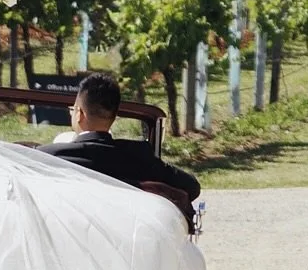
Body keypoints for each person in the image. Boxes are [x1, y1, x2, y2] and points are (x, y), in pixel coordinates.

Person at [42, 71, 200, 200]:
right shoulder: (140, 156)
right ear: (114, 116)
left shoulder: (51, 157)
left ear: (79, 113)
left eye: (73, 109)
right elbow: (191, 186)